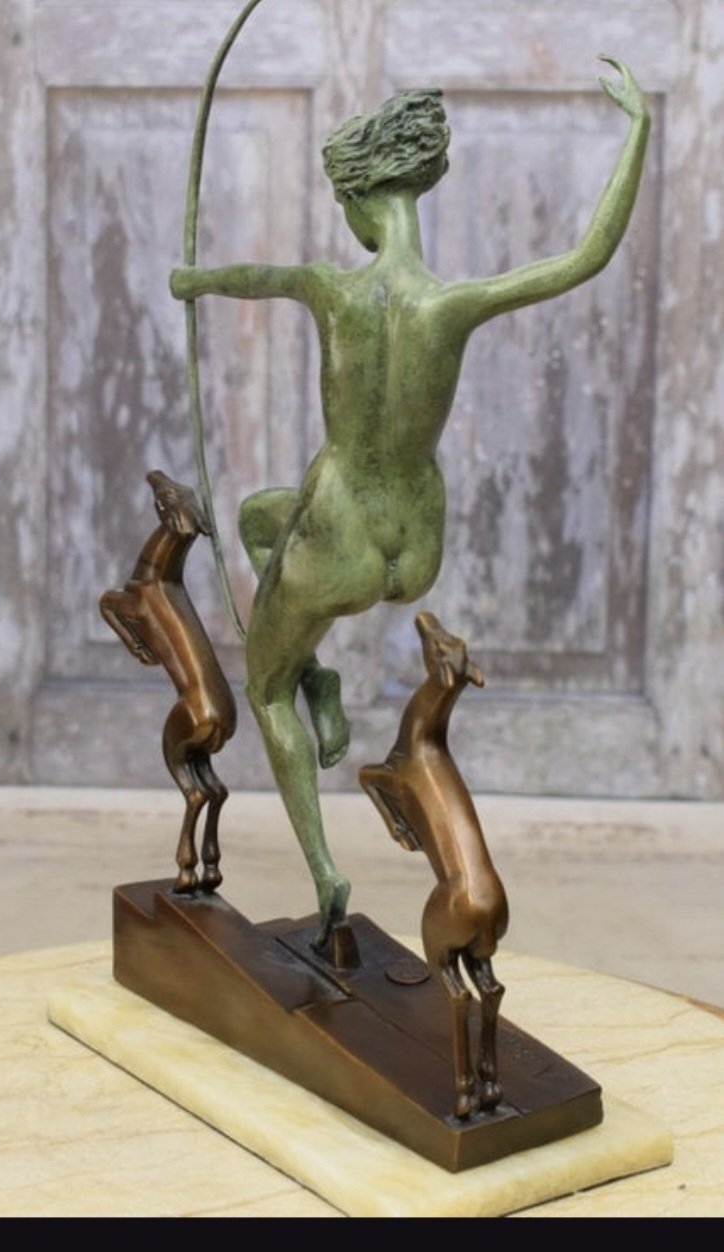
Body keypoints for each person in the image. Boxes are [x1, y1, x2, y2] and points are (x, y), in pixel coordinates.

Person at [169, 58, 649, 949]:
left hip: (341, 527)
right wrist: (638, 129)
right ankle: (322, 674)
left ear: (358, 200)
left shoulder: (331, 286)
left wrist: (190, 283)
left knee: (263, 688)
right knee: (259, 518)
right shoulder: (452, 303)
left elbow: (247, 275)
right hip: (413, 542)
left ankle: (324, 867)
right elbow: (586, 255)